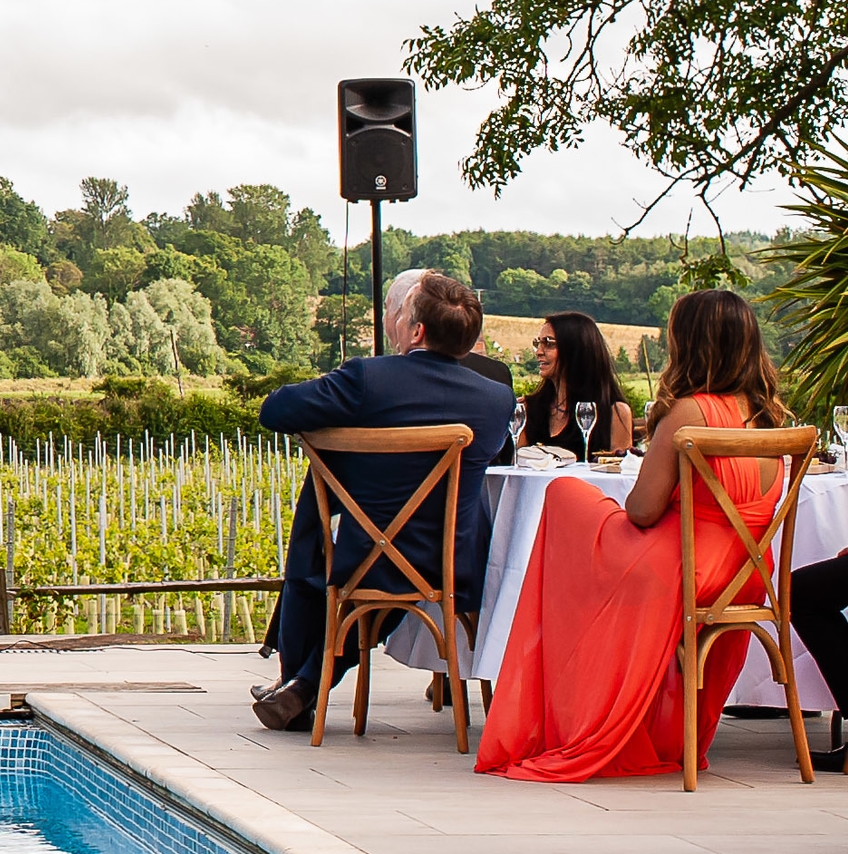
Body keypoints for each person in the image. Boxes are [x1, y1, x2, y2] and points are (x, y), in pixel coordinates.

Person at [475, 288, 794, 782]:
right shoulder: (769, 413)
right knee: (585, 525)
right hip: (750, 574)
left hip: (686, 569)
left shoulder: (688, 412)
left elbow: (642, 511)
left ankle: (571, 707)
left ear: (688, 344)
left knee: (565, 498)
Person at [250, 269, 520, 731]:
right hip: (453, 560)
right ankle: (304, 684)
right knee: (397, 552)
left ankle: (301, 682)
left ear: (416, 331)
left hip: (364, 556)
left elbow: (274, 410)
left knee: (318, 531)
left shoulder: (367, 379)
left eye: (401, 316)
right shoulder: (496, 399)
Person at [519, 313, 634, 463]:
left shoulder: (614, 413)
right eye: (537, 343)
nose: (539, 352)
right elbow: (518, 470)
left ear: (576, 349)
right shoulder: (528, 409)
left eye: (549, 343)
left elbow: (618, 477)